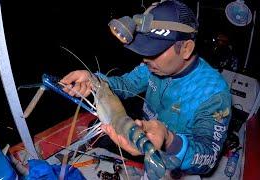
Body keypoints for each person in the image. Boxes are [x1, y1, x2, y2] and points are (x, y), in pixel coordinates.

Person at [60, 0, 232, 177]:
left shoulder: (214, 94)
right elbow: (126, 85)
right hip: (144, 137)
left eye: (154, 51)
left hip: (180, 164)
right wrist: (94, 80)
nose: (145, 59)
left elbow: (208, 159)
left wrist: (168, 139)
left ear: (186, 49)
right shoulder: (152, 66)